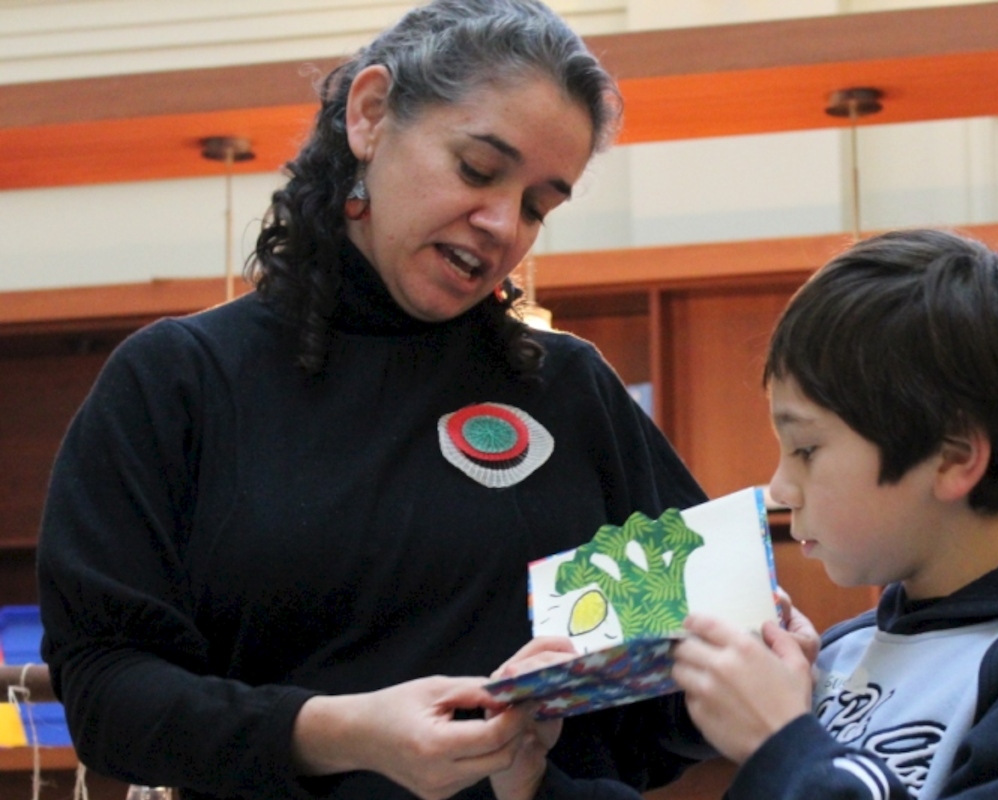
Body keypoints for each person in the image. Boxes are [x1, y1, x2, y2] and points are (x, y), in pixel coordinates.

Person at [35, 2, 708, 799]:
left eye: (537, 206)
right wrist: (339, 732)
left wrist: (741, 663)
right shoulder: (181, 382)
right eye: (478, 169)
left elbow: (669, 695)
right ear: (371, 114)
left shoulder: (569, 389)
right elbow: (108, 694)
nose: (501, 225)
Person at [494, 228, 998, 800]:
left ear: (954, 458)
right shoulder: (841, 654)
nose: (779, 487)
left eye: (806, 448)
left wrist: (785, 745)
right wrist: (536, 784)